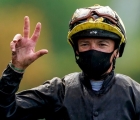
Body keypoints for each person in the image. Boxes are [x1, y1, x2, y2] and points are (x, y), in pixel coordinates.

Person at [0, 4, 140, 120]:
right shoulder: (58, 91)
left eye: (102, 44)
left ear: (117, 50)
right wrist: (16, 69)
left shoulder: (135, 94)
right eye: (85, 44)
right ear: (76, 50)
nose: (93, 50)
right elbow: (6, 112)